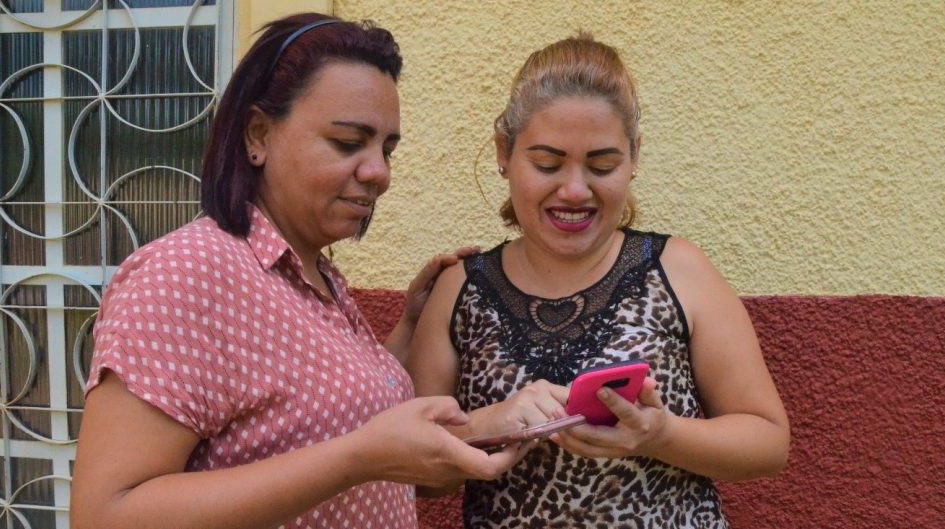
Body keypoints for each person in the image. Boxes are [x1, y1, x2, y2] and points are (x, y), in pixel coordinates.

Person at [71, 13, 529, 529]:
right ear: (259, 134)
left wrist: (405, 329)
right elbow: (106, 514)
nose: (378, 172)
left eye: (387, 148)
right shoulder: (187, 273)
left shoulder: (317, 276)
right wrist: (358, 459)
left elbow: (314, 416)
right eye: (348, 142)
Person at [406, 33, 790, 528]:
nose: (574, 189)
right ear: (504, 152)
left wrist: (660, 435)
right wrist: (485, 425)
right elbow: (420, 475)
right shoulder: (462, 288)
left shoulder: (679, 269)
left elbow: (768, 442)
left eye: (602, 164)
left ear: (634, 157)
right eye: (547, 163)